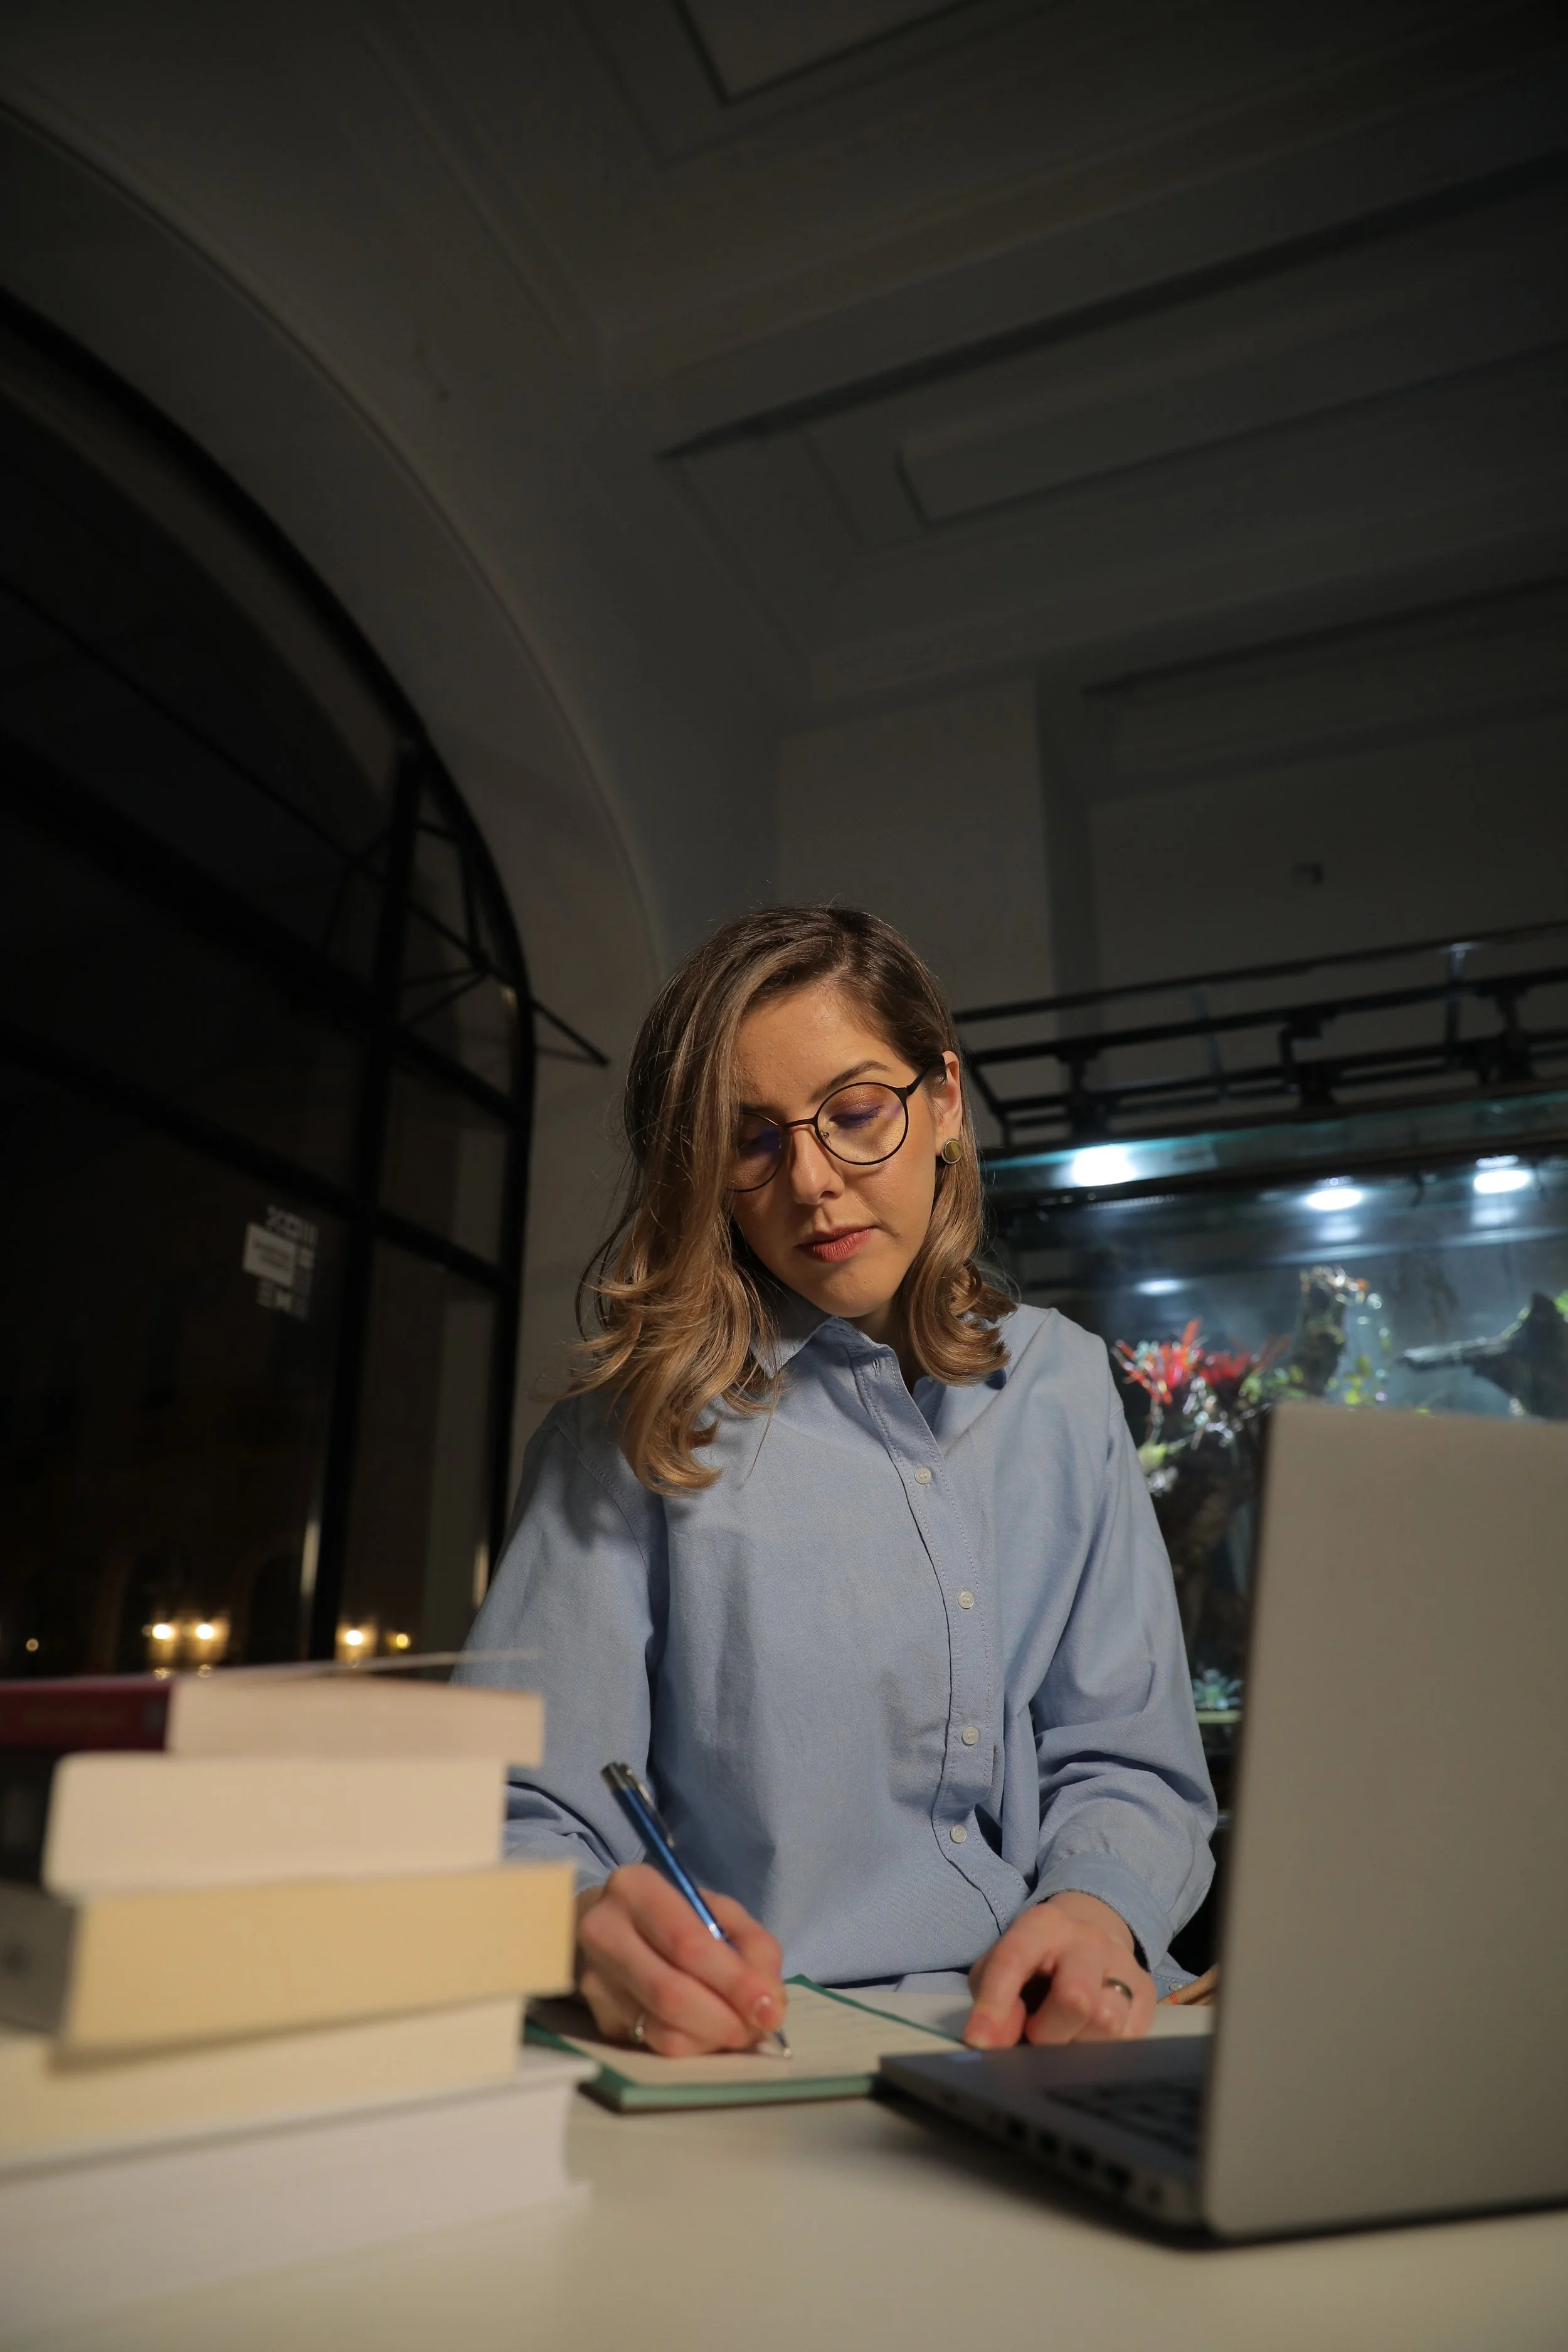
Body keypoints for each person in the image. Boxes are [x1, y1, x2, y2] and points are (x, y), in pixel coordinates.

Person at [461, 908, 1214, 2058]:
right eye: (750, 1139)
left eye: (857, 1113)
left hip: (1079, 2036)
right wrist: (580, 1929)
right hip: (773, 2054)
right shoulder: (626, 1438)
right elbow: (516, 1819)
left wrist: (1097, 1907)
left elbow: (1129, 1757)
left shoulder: (1059, 1383)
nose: (812, 1180)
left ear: (945, 1102)